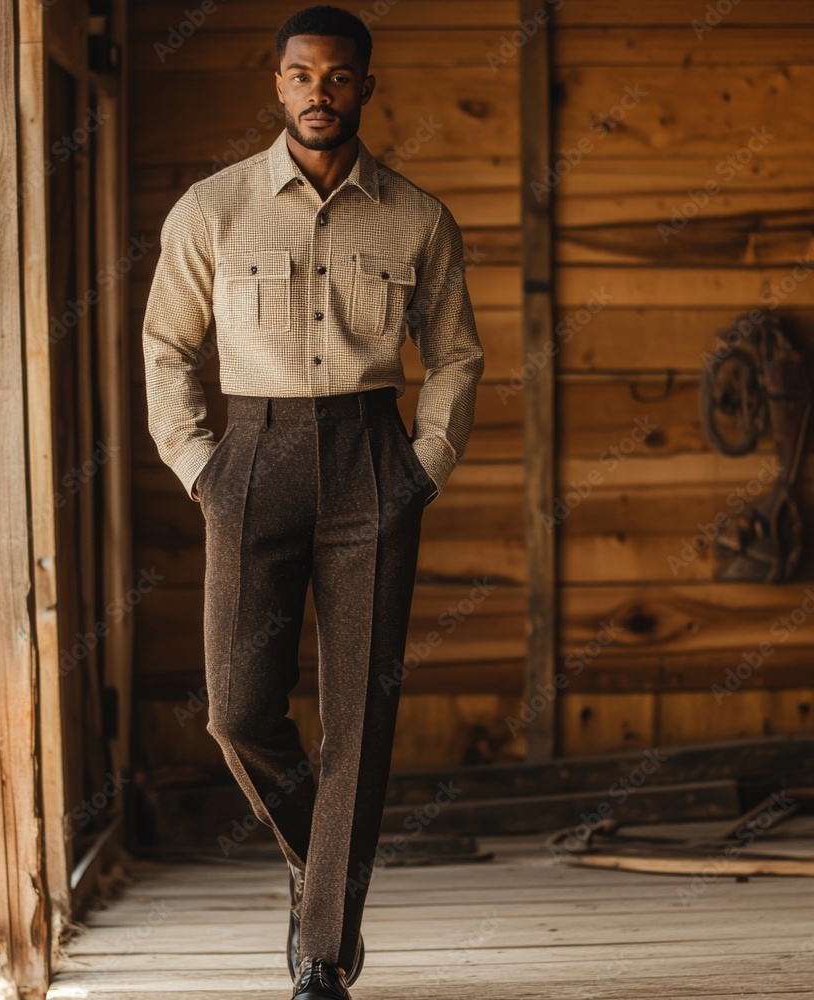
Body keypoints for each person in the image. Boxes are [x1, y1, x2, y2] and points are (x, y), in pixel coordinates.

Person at [141, 6, 485, 997]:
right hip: (248, 460)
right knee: (238, 710)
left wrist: (425, 461)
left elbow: (457, 354)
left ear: (365, 88)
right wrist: (199, 460)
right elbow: (167, 345)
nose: (318, 92)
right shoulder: (212, 208)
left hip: (373, 461)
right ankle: (318, 865)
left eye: (338, 77)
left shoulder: (416, 217)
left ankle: (324, 955)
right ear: (277, 84)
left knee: (358, 720)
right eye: (300, 75)